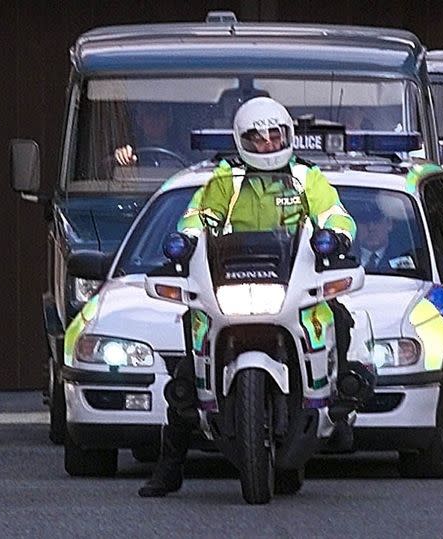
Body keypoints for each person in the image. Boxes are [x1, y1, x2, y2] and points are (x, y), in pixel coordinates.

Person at [139, 96, 357, 498]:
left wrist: (338, 236)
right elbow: (197, 218)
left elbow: (335, 214)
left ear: (289, 137)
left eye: (276, 136)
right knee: (189, 358)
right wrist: (184, 242)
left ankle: (339, 405)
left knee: (338, 319)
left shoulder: (307, 179)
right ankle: (169, 467)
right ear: (242, 140)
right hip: (232, 283)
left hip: (291, 280)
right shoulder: (226, 180)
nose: (269, 144)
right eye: (258, 138)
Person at [114, 102, 183, 166]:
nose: (155, 119)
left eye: (160, 113)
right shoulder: (131, 151)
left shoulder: (182, 154)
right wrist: (123, 157)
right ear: (140, 120)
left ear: (169, 119)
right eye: (149, 113)